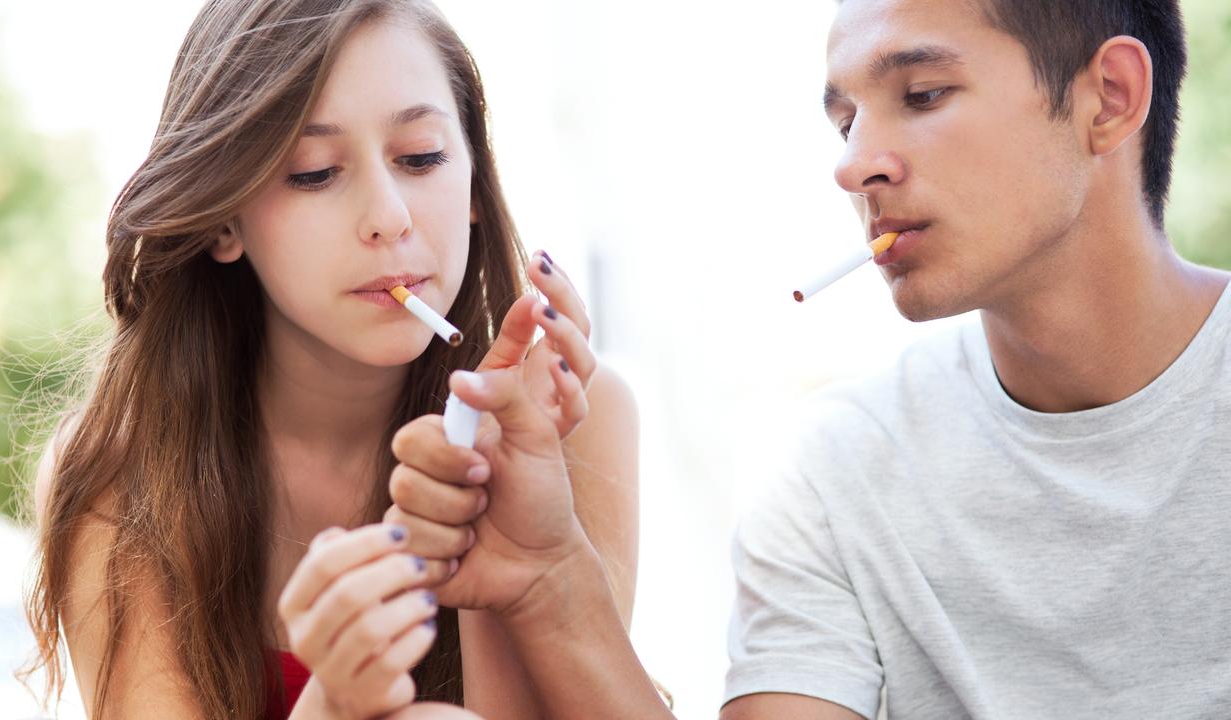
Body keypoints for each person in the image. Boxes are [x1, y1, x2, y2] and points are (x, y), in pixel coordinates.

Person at [393, 0, 1230, 718]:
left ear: (1110, 98)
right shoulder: (836, 475)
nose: (852, 164)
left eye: (923, 95)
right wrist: (548, 575)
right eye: (846, 122)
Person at [22, 2, 638, 719]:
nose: (388, 215)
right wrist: (334, 707)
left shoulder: (573, 417)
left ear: (474, 181)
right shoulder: (122, 469)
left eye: (420, 158)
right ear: (224, 217)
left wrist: (499, 549)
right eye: (314, 172)